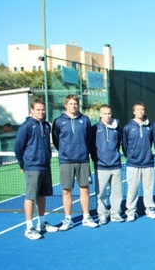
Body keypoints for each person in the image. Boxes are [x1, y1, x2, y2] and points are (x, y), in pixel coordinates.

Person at [14, 99, 59, 240]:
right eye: (38, 110)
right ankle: (29, 227)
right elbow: (18, 147)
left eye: (43, 109)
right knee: (30, 197)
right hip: (32, 166)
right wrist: (23, 164)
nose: (41, 112)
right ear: (32, 111)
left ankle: (42, 223)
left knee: (42, 195)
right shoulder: (26, 126)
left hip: (45, 165)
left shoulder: (46, 125)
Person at [52, 94, 98, 230]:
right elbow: (56, 140)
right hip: (66, 161)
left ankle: (86, 217)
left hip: (83, 160)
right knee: (67, 191)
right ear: (66, 105)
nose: (73, 106)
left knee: (85, 189)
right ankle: (68, 219)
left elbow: (89, 139)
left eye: (75, 104)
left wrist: (84, 152)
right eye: (71, 104)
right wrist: (65, 152)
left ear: (78, 105)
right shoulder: (59, 121)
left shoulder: (85, 120)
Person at [122, 102, 155, 221]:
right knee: (132, 189)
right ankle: (131, 211)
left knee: (149, 188)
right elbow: (125, 146)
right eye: (138, 110)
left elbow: (153, 142)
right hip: (133, 164)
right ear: (134, 112)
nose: (141, 112)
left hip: (148, 163)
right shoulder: (128, 127)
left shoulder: (150, 127)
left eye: (142, 110)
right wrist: (132, 156)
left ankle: (150, 209)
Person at [89, 104, 125, 225]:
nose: (107, 116)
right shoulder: (94, 129)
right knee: (101, 193)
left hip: (115, 165)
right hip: (101, 166)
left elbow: (121, 143)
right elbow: (91, 147)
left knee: (117, 193)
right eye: (104, 113)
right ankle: (103, 214)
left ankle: (115, 213)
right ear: (100, 114)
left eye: (109, 113)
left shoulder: (117, 129)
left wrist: (117, 156)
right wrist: (96, 159)